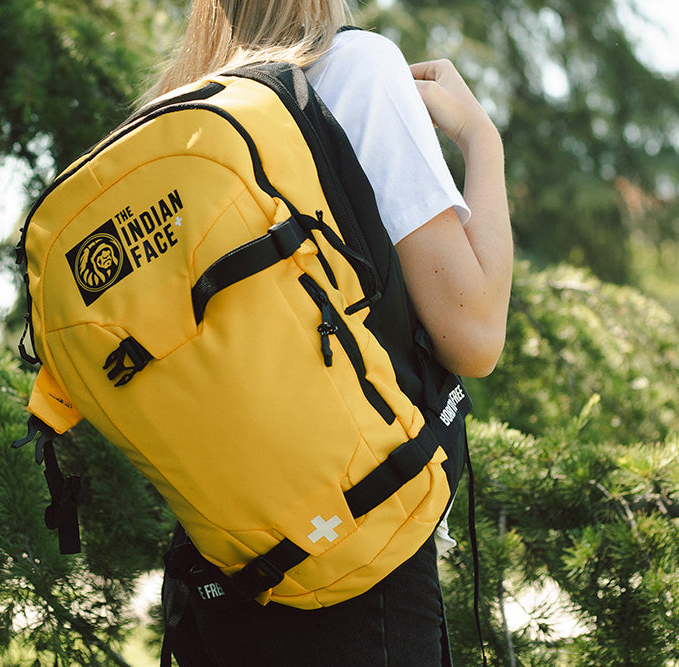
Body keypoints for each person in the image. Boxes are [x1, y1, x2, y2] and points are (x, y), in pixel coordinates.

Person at [150, 1, 513, 664]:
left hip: (216, 570)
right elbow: (475, 330)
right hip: (354, 565)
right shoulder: (353, 69)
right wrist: (482, 142)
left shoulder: (185, 108)